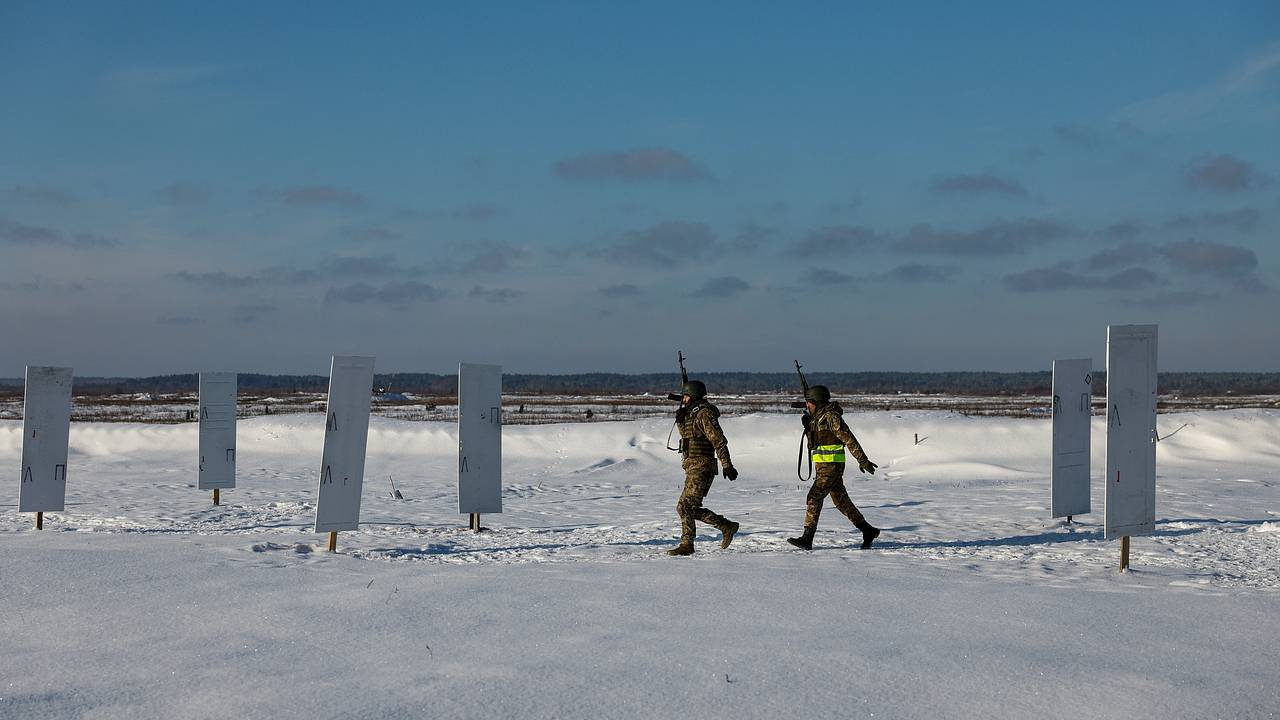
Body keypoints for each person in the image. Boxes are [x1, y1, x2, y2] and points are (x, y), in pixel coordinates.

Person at [788, 385, 881, 550]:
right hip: (824, 468)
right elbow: (818, 442)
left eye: (809, 403)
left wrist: (863, 460)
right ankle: (868, 530)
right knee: (841, 502)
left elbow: (849, 439)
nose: (807, 406)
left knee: (814, 497)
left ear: (817, 402)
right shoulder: (818, 418)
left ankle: (807, 538)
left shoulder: (831, 417)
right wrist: (808, 426)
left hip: (830, 467)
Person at [667, 380, 740, 556]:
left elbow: (718, 440)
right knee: (685, 508)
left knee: (685, 506)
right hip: (692, 466)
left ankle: (687, 544)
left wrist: (727, 465)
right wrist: (681, 420)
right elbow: (690, 437)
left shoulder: (704, 414)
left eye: (685, 396)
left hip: (702, 466)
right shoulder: (691, 413)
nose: (682, 399)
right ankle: (726, 526)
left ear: (691, 395)